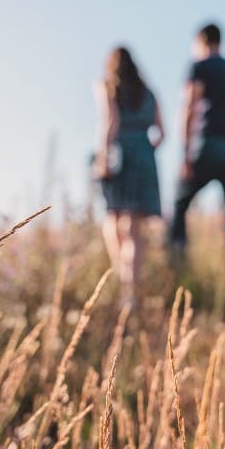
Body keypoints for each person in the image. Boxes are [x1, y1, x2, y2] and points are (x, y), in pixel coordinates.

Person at [169, 23, 225, 316]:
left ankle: (179, 273)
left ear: (201, 41)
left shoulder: (200, 66)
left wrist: (185, 154)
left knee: (179, 205)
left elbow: (189, 106)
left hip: (210, 146)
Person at [94, 47, 165, 306]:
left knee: (113, 217)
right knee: (134, 228)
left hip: (119, 153)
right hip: (145, 155)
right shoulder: (149, 93)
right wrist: (145, 152)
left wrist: (103, 157)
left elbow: (109, 121)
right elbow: (162, 132)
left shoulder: (106, 86)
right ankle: (130, 291)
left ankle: (122, 278)